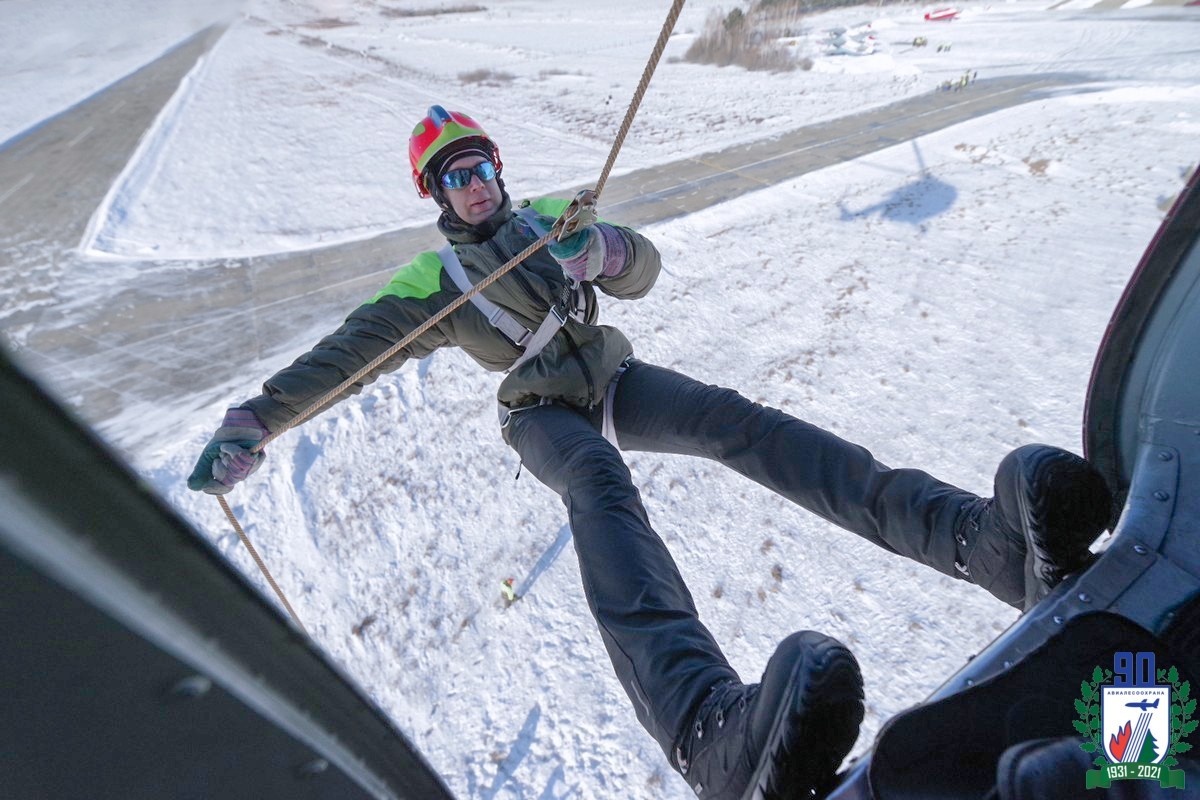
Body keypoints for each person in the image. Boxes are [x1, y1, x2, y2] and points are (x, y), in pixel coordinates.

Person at [188, 105, 1113, 799]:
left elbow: (644, 269)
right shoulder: (434, 280)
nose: (472, 185)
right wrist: (255, 421)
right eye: (452, 178)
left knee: (740, 423)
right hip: (543, 412)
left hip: (612, 379)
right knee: (599, 486)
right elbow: (348, 357)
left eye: (479, 167)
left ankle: (972, 537)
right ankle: (706, 726)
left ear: (499, 169)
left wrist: (608, 253)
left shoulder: (553, 216)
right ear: (433, 196)